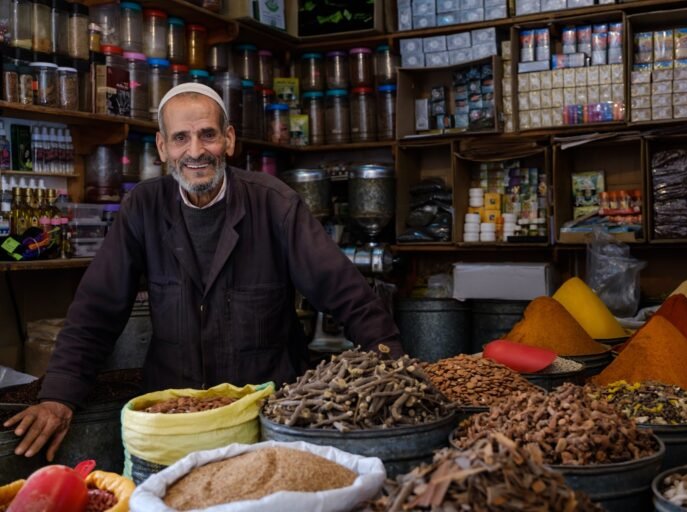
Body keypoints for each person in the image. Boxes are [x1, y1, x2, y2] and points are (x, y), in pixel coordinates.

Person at [5, 84, 403, 461]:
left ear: (228, 140)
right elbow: (97, 308)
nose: (195, 151)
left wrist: (396, 372)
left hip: (266, 412)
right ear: (163, 147)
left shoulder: (274, 204)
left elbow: (346, 294)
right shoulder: (143, 208)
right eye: (180, 138)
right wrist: (58, 396)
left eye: (207, 135)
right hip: (173, 412)